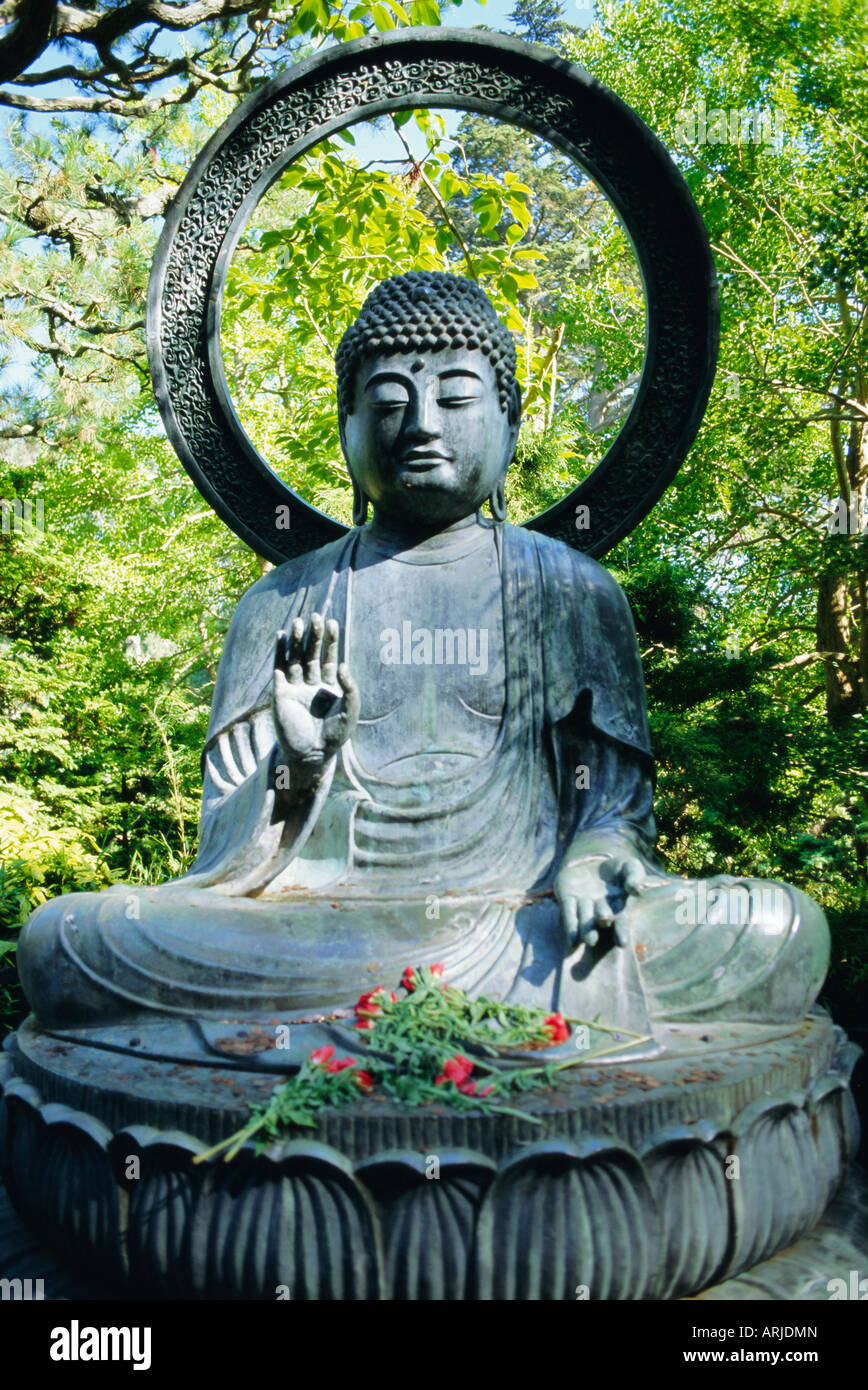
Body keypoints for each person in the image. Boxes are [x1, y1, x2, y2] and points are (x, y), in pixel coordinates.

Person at [18, 272, 829, 1047]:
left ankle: (347, 1026)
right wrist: (299, 769)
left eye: (457, 398)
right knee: (71, 940)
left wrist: (592, 862)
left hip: (525, 921)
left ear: (509, 422)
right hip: (322, 932)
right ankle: (472, 1013)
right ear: (347, 426)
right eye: (388, 402)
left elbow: (614, 814)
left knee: (777, 928)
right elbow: (224, 859)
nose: (422, 425)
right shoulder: (280, 603)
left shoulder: (576, 592)